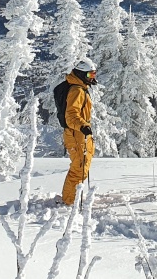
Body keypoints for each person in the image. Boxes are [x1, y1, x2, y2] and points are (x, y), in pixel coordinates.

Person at [61, 58, 97, 206]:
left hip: (80, 132)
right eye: (90, 75)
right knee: (79, 166)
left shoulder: (81, 88)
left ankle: (74, 197)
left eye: (93, 75)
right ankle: (70, 201)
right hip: (76, 133)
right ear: (82, 74)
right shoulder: (76, 90)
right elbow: (71, 115)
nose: (92, 78)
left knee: (82, 165)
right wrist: (82, 126)